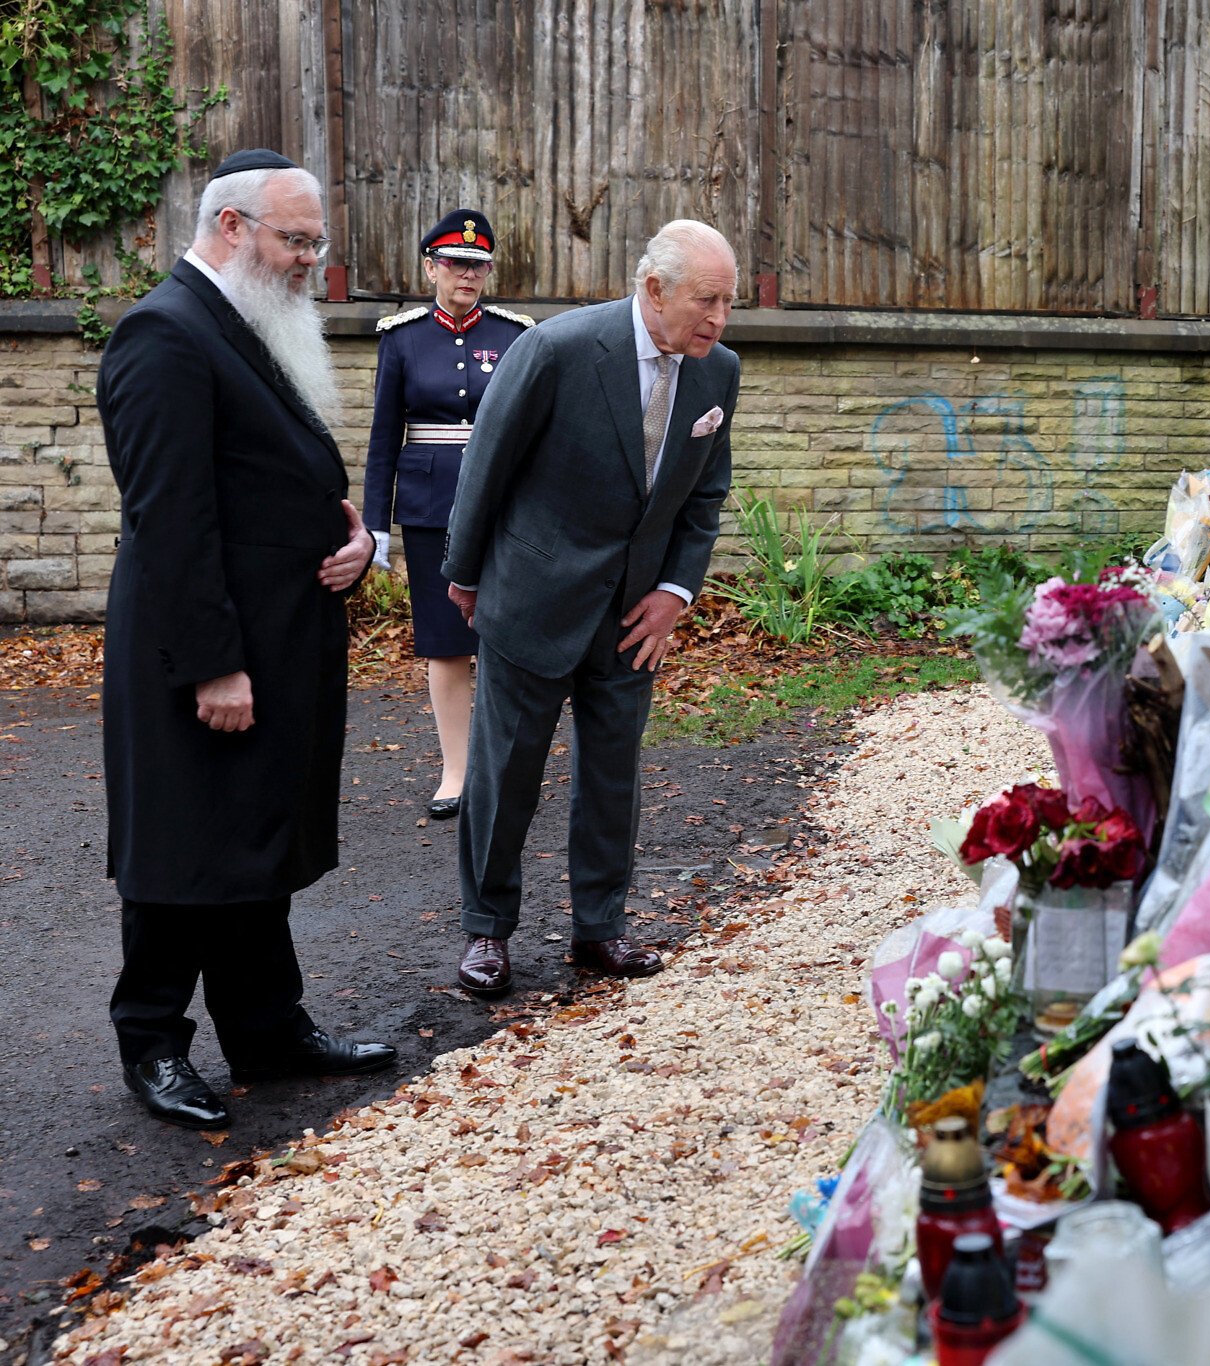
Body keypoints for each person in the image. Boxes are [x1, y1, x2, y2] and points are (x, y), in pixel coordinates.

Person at [96, 148, 397, 1130]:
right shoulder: (163, 334)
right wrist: (214, 662)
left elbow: (267, 471)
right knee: (185, 849)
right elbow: (170, 518)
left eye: (316, 240)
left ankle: (267, 1030)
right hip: (202, 654)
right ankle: (152, 1042)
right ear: (232, 227)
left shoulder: (242, 319)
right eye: (296, 239)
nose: (311, 258)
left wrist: (344, 528)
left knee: (252, 843)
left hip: (275, 637)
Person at [440, 218, 739, 995]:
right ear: (653, 289)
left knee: (613, 777)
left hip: (633, 617)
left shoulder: (718, 374)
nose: (718, 319)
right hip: (532, 598)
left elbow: (704, 498)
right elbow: (487, 465)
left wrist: (675, 593)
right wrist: (465, 575)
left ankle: (599, 930)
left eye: (729, 303)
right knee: (506, 774)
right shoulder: (558, 349)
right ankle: (486, 932)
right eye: (706, 301)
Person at [362, 209, 534, 818]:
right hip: (431, 507)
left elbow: (532, 434)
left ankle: (504, 767)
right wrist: (375, 525)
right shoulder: (402, 338)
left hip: (503, 507)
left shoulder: (516, 336)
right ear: (431, 267)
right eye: (457, 264)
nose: (468, 274)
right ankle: (457, 772)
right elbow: (384, 438)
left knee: (506, 637)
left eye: (479, 264)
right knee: (445, 642)